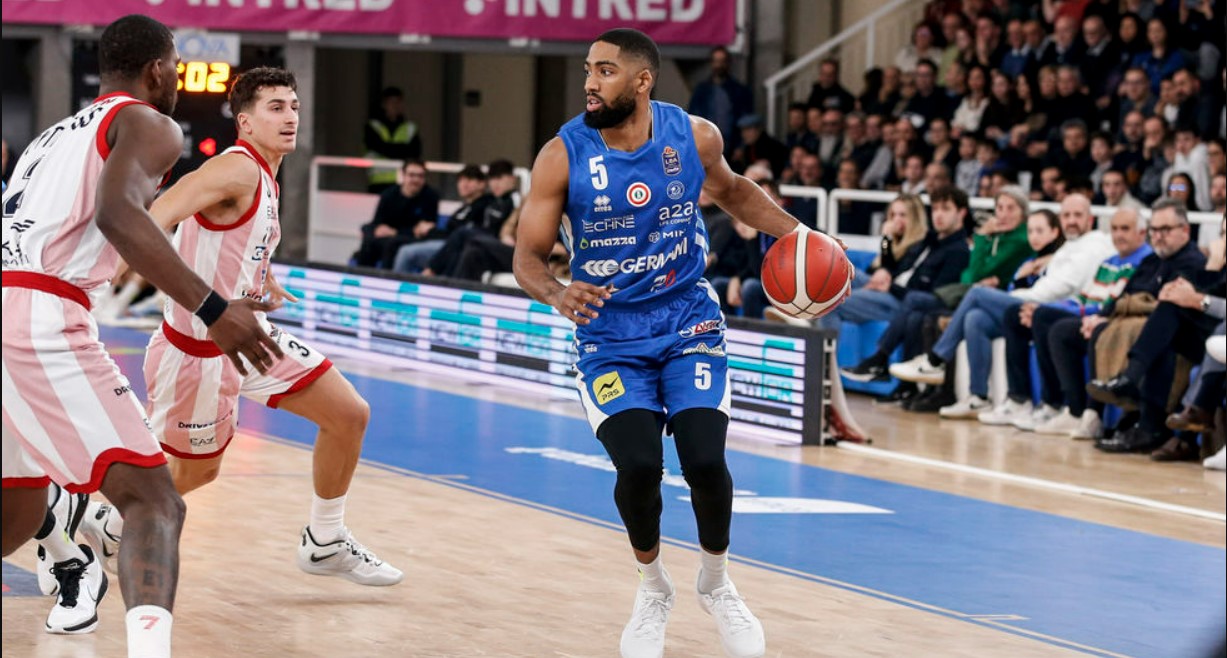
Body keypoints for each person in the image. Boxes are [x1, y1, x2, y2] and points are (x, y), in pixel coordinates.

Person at [512, 28, 822, 658]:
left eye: (605, 71)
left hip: (688, 322)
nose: (590, 83)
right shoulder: (562, 155)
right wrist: (556, 293)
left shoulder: (694, 135)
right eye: (589, 70)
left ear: (642, 80)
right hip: (610, 336)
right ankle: (653, 588)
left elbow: (733, 192)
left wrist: (803, 237)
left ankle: (717, 583)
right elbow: (527, 258)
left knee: (705, 460)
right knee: (639, 466)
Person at [2, 14, 282, 655]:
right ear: (158, 70)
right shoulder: (150, 122)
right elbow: (119, 214)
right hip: (40, 315)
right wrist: (214, 308)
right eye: (176, 67)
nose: (177, 80)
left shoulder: (51, 136)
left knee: (16, 510)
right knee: (155, 501)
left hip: (8, 300)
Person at [78, 67, 403, 591]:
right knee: (196, 473)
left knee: (348, 414)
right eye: (275, 108)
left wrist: (259, 276)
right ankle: (106, 524)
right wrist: (97, 281)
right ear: (245, 122)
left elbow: (232, 238)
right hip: (198, 352)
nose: (290, 117)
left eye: (293, 106)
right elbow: (157, 212)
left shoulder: (265, 174)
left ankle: (324, 540)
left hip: (249, 337)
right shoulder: (237, 169)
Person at [392, 163, 489, 274]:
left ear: (482, 184)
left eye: (469, 180)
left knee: (405, 252)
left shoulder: (484, 206)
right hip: (445, 244)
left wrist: (431, 230)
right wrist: (430, 230)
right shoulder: (463, 208)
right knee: (395, 244)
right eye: (461, 180)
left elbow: (457, 235)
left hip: (455, 248)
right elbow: (449, 232)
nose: (464, 184)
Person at [352, 158, 440, 269]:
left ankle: (386, 277)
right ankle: (363, 275)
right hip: (388, 236)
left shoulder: (430, 197)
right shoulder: (389, 194)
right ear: (403, 175)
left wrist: (395, 232)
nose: (416, 180)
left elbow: (424, 230)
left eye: (420, 176)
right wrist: (379, 229)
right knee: (368, 234)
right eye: (412, 175)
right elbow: (377, 221)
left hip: (410, 239)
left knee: (391, 244)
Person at [688, 46, 753, 157]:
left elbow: (745, 119)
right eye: (716, 61)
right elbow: (692, 117)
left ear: (728, 63)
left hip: (730, 146)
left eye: (722, 61)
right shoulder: (701, 90)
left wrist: (741, 146)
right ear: (711, 63)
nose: (719, 65)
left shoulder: (739, 91)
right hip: (705, 144)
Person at [364, 86, 422, 193]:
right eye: (391, 102)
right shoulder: (373, 126)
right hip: (378, 183)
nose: (395, 106)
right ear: (383, 105)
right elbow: (378, 146)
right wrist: (402, 149)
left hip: (403, 183)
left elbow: (415, 153)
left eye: (398, 102)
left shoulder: (410, 128)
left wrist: (388, 148)